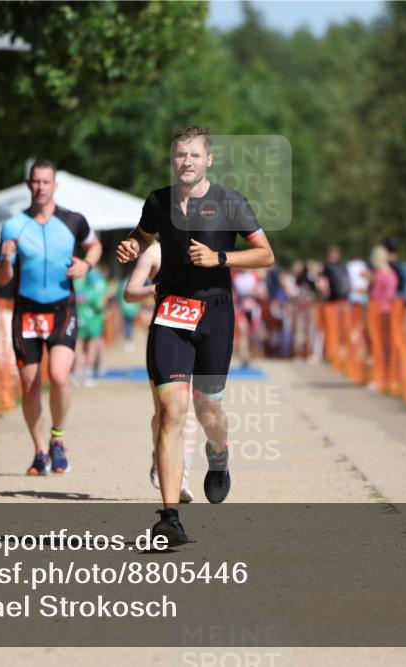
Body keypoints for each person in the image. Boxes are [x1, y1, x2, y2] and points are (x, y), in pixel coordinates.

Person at [116, 125, 275, 545]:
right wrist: (132, 245)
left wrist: (220, 257)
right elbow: (143, 234)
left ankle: (218, 453)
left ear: (209, 160)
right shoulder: (157, 201)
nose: (185, 162)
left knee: (209, 413)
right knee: (171, 414)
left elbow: (266, 254)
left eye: (193, 155)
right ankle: (170, 517)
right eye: (179, 155)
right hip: (170, 313)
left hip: (215, 316)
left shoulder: (229, 202)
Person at [0, 159, 102, 476]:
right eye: (35, 182)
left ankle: (58, 439)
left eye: (46, 182)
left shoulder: (73, 220)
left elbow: (94, 246)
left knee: (58, 375)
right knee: (29, 384)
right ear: (29, 185)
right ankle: (39, 451)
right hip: (26, 309)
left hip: (61, 307)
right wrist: (7, 259)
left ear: (55, 185)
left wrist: (86, 265)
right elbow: (2, 280)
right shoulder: (13, 226)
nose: (40, 187)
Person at [123, 243, 195, 503]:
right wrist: (157, 289)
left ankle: (182, 479)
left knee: (188, 414)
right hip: (165, 336)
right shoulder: (154, 252)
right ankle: (160, 452)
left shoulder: (204, 243)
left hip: (197, 335)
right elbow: (129, 293)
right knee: (165, 415)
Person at [366, 244, 398, 390]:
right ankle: (388, 378)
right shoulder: (390, 274)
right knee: (386, 347)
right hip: (386, 312)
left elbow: (379, 295)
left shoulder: (381, 275)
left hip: (381, 313)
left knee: (381, 347)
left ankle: (383, 379)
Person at [73, 266, 108, 387]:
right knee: (91, 347)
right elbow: (101, 304)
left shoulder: (76, 282)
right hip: (94, 321)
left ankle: (77, 373)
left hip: (79, 318)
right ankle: (87, 374)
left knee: (79, 347)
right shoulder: (99, 284)